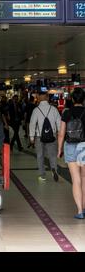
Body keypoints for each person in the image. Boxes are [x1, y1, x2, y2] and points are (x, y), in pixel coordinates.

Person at [58, 87, 85, 219]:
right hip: (84, 146)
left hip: (70, 147)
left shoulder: (66, 112)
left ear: (72, 99)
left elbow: (61, 134)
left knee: (76, 180)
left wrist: (59, 149)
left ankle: (80, 211)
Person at [29, 90, 61, 182]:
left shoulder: (36, 110)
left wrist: (31, 137)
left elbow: (32, 124)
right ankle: (54, 169)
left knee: (40, 156)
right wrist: (59, 133)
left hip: (39, 137)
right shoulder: (54, 109)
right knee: (52, 155)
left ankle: (42, 175)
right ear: (47, 97)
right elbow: (59, 123)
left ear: (38, 98)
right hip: (52, 136)